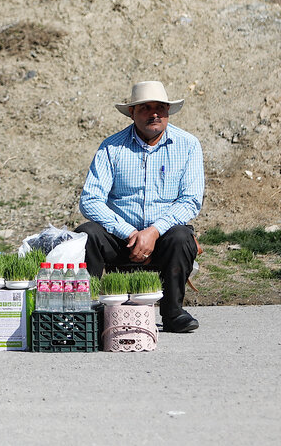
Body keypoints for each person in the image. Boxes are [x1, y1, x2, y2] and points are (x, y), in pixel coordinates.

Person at [76, 80, 204, 333]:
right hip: (120, 237)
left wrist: (153, 232)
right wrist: (130, 233)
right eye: (145, 107)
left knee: (181, 236)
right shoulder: (111, 147)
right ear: (132, 113)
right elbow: (90, 199)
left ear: (168, 112)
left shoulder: (188, 145)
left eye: (160, 107)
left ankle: (173, 312)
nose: (154, 113)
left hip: (163, 238)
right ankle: (86, 308)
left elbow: (190, 200)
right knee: (87, 233)